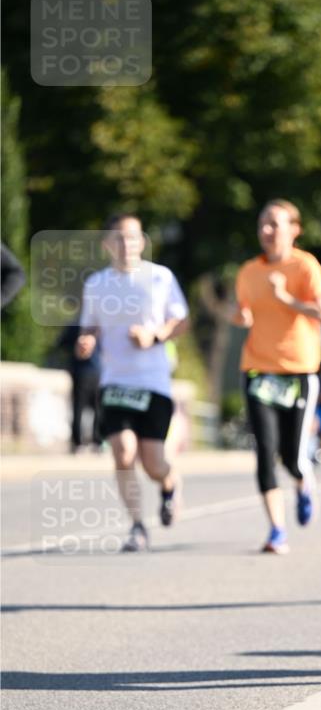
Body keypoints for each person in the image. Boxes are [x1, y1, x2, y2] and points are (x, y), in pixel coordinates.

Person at [76, 214, 189, 551]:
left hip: (153, 383)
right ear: (107, 244)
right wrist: (87, 342)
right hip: (115, 381)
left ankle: (169, 483)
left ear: (142, 242)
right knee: (123, 453)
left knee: (153, 463)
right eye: (119, 238)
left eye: (133, 238)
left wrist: (155, 336)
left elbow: (181, 320)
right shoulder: (96, 284)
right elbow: (89, 326)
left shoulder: (160, 278)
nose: (127, 245)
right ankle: (137, 525)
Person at [233, 199, 321, 554]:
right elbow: (242, 310)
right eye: (263, 223)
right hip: (259, 369)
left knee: (292, 456)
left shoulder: (305, 266)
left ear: (295, 229)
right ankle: (277, 529)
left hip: (298, 371)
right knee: (264, 450)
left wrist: (285, 297)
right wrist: (240, 317)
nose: (268, 231)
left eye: (276, 224)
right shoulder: (248, 271)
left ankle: (303, 484)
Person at [56, 318, 102, 453]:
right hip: (95, 373)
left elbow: (62, 343)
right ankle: (96, 441)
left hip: (83, 373)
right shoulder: (103, 325)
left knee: (79, 407)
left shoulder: (76, 324)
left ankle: (78, 443)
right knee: (97, 409)